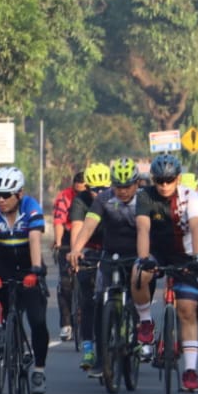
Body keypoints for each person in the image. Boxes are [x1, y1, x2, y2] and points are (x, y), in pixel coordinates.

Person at [67, 158, 154, 371]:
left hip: (137, 252)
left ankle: (141, 328)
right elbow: (88, 226)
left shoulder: (143, 198)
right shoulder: (104, 198)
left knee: (139, 286)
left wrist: (143, 259)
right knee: (99, 302)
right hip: (111, 253)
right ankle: (102, 357)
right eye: (118, 186)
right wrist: (76, 249)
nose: (122, 191)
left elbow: (143, 229)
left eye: (127, 186)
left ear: (136, 184)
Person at [0, 166, 50, 394]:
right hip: (1, 263)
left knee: (37, 321)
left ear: (19, 194)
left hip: (28, 265)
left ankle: (38, 370)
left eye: (5, 195)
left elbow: (35, 240)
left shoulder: (31, 207)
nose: (0, 199)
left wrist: (35, 270)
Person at [143, 153, 198, 392]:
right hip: (157, 252)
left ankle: (190, 370)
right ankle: (145, 323)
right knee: (139, 273)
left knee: (187, 310)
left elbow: (196, 228)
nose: (164, 185)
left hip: (184, 255)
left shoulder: (191, 197)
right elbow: (142, 229)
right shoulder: (146, 196)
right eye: (159, 180)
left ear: (178, 179)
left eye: (169, 180)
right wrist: (143, 259)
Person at [67, 162, 110, 370]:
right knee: (89, 299)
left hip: (113, 247)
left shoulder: (116, 198)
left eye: (104, 189)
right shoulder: (80, 201)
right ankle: (88, 348)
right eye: (95, 189)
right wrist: (76, 254)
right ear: (87, 188)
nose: (100, 193)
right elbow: (77, 229)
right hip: (90, 248)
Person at [50, 170, 86, 341]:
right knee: (65, 283)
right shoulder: (64, 197)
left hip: (89, 237)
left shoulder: (95, 198)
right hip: (67, 236)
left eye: (83, 191)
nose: (79, 195)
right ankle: (66, 324)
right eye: (77, 191)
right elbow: (59, 220)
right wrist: (58, 242)